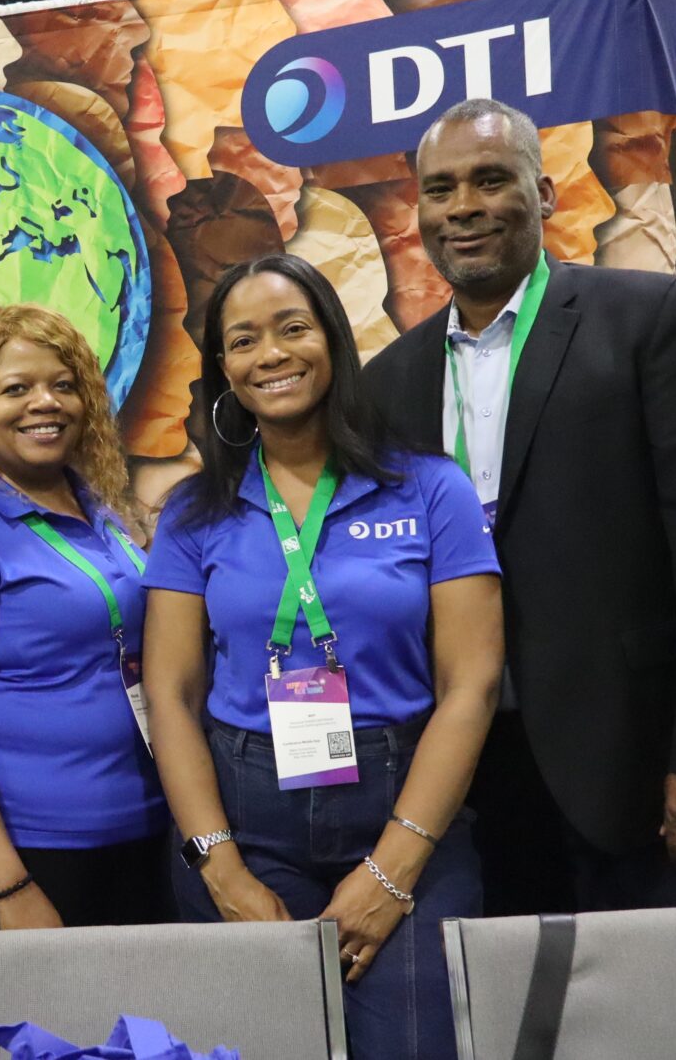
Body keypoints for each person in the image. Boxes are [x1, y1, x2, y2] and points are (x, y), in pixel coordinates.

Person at [363, 98, 676, 914]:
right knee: (515, 1022)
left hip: (633, 766)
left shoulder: (649, 319)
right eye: (441, 189)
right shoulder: (390, 380)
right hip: (466, 772)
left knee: (661, 1023)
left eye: (490, 179)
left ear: (545, 194)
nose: (465, 207)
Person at [144, 255, 503, 1060]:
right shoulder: (194, 514)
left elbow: (471, 685)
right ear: (224, 370)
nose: (270, 353)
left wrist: (393, 871)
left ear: (334, 341)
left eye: (292, 328)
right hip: (246, 820)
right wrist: (221, 867)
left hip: (406, 803)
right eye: (243, 340)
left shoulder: (429, 489)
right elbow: (168, 694)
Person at [0, 305, 172, 932]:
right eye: (16, 388)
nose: (44, 403)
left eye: (62, 385)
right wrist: (10, 886)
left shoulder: (94, 500)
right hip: (30, 853)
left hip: (140, 832)